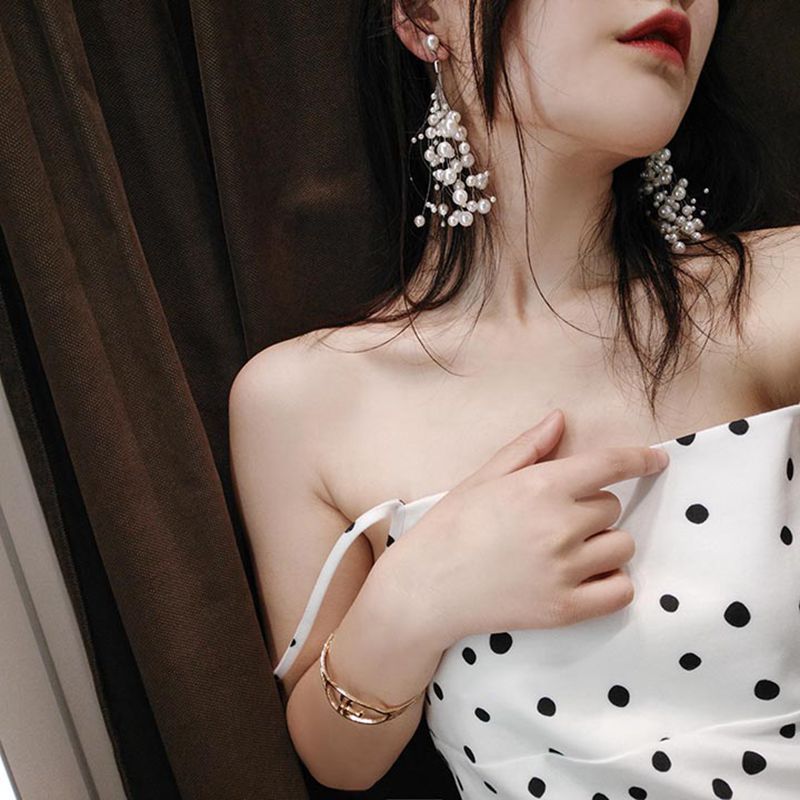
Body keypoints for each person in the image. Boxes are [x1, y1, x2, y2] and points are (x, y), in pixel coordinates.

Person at [229, 0, 800, 796]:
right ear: (423, 15)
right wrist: (414, 597)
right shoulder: (304, 402)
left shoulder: (774, 300)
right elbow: (339, 760)